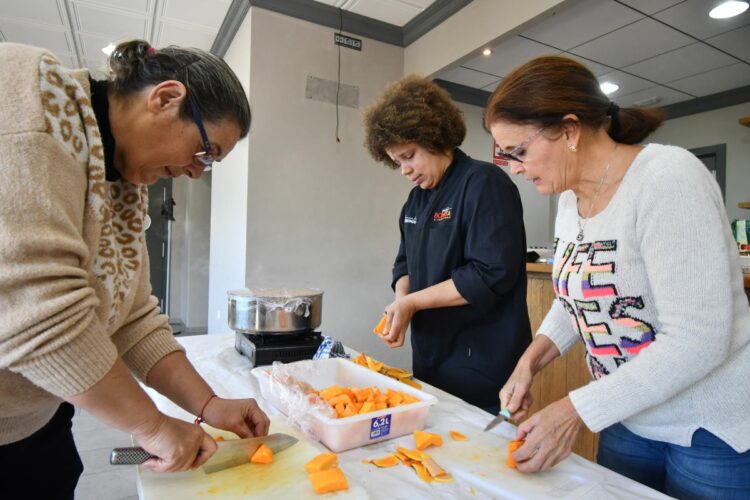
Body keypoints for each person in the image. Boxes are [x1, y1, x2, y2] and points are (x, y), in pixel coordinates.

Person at [0, 40, 270, 497]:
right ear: (165, 98)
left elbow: (133, 317)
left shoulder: (121, 182)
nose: (197, 173)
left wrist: (208, 405)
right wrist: (153, 426)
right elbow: (39, 315)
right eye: (206, 151)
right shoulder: (32, 99)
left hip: (35, 421)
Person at [485, 55, 750, 498]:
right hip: (628, 411)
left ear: (569, 130)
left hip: (706, 429)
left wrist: (574, 410)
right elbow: (578, 301)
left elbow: (699, 339)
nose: (513, 167)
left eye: (519, 151)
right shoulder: (569, 201)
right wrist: (529, 362)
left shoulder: (668, 177)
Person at [362, 75, 531, 414]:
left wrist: (412, 304)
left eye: (409, 156)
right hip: (431, 354)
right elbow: (404, 264)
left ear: (433, 136)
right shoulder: (415, 201)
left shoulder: (484, 184)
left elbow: (489, 274)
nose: (404, 170)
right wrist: (401, 303)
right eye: (397, 162)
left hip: (480, 358)